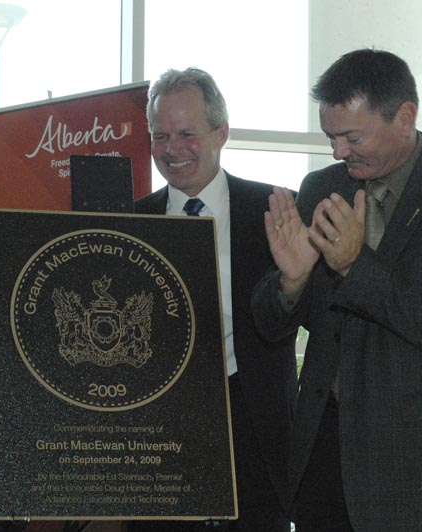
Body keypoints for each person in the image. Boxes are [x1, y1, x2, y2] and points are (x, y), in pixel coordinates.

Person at [251, 48, 422, 531]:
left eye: (351, 137)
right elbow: (276, 327)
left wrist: (357, 266)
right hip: (324, 456)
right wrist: (290, 282)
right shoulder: (321, 187)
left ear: (404, 117)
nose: (338, 152)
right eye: (331, 137)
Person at [128, 67, 297, 532]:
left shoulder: (276, 212)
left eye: (186, 133)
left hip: (254, 429)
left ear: (221, 132)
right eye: (159, 135)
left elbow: (303, 315)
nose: (171, 149)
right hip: (155, 437)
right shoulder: (127, 222)